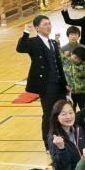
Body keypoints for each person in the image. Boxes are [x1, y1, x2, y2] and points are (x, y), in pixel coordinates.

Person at [17, 15, 69, 144]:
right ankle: (48, 142)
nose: (49, 26)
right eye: (45, 24)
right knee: (49, 114)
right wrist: (25, 33)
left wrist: (65, 83)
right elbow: (20, 48)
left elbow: (59, 65)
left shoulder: (52, 42)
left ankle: (62, 137)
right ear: (37, 28)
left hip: (58, 84)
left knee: (61, 111)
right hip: (46, 85)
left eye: (49, 24)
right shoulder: (33, 42)